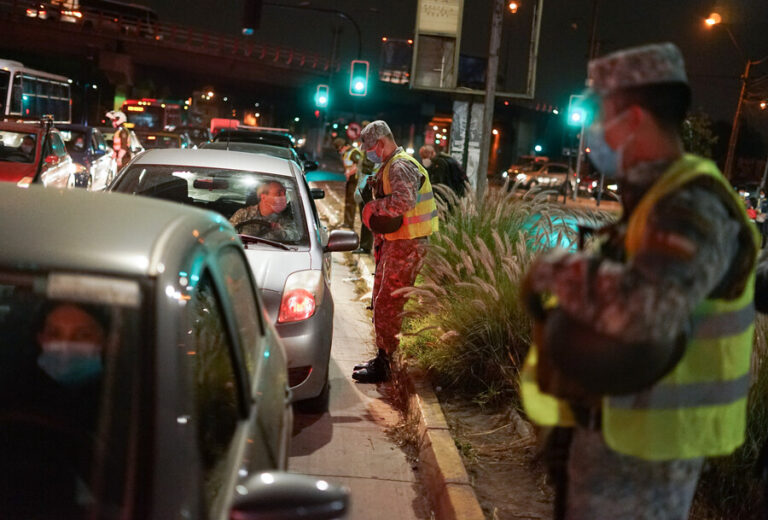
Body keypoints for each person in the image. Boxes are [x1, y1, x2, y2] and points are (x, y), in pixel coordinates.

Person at [519, 43, 760, 519]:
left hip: (647, 458)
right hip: (618, 435)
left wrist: (557, 268)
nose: (594, 132)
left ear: (632, 119)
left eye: (600, 115)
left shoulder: (692, 205)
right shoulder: (657, 198)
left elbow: (644, 308)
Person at [352, 120, 439, 383]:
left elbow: (403, 200)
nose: (370, 153)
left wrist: (373, 208)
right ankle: (382, 357)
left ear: (380, 143)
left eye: (371, 148)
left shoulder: (400, 165)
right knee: (383, 299)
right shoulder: (392, 164)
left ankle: (385, 365)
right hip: (398, 242)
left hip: (407, 244)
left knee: (389, 302)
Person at [230, 180, 297, 241]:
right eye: (279, 193)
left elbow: (294, 236)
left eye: (284, 193)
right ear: (264, 197)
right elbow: (226, 234)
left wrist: (279, 232)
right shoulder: (244, 214)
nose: (283, 197)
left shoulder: (284, 219)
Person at [334, 137, 362, 230]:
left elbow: (359, 165)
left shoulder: (354, 152)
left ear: (344, 146)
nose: (339, 152)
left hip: (356, 180)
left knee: (351, 202)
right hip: (350, 180)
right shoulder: (345, 154)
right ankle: (347, 222)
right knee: (348, 201)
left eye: (340, 149)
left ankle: (350, 224)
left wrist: (349, 173)